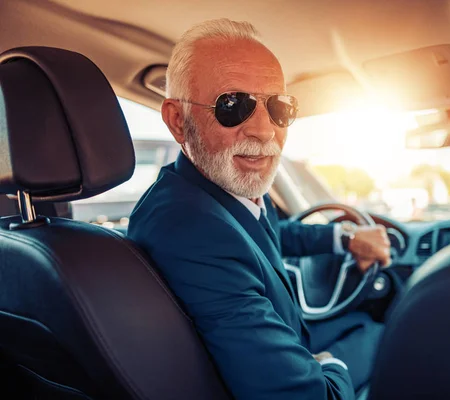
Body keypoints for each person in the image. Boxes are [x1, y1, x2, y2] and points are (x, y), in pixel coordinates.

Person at [128, 18, 392, 400]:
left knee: (367, 322)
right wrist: (329, 363)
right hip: (299, 359)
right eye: (233, 106)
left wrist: (344, 238)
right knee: (381, 331)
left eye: (279, 107)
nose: (265, 130)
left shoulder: (217, 189)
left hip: (288, 335)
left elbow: (269, 233)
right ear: (177, 121)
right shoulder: (190, 230)